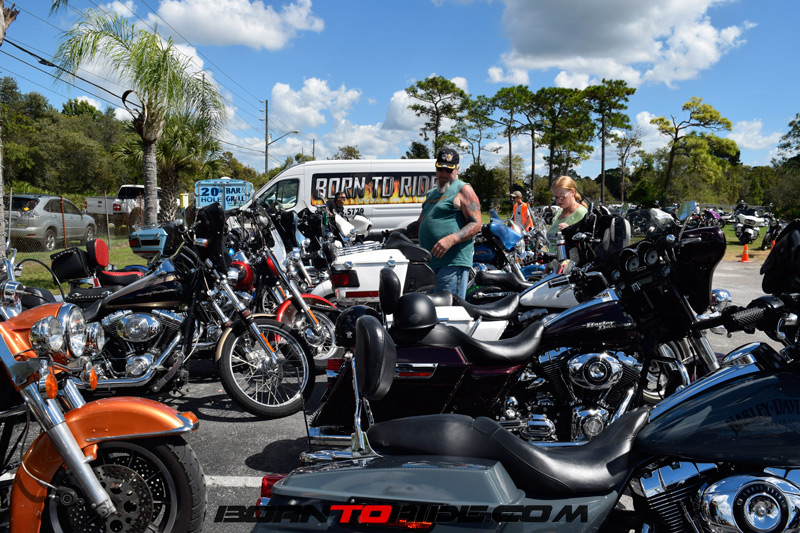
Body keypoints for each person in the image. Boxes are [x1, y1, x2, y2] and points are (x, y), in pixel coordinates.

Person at [417, 148, 481, 298]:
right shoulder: (431, 194)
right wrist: (399, 233)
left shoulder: (464, 190)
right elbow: (420, 223)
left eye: (449, 170)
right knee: (430, 309)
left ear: (457, 169)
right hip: (429, 264)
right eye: (440, 169)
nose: (444, 173)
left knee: (448, 309)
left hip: (452, 264)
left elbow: (476, 224)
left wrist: (450, 239)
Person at [546, 175, 587, 245]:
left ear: (573, 192)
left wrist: (569, 231)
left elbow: (585, 241)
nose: (558, 201)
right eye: (556, 197)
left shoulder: (581, 212)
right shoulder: (559, 213)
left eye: (562, 196)